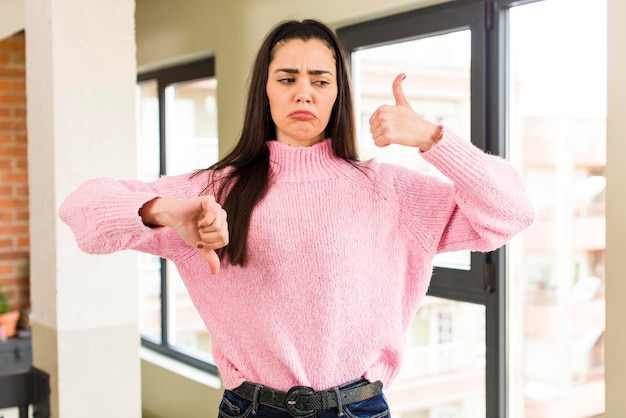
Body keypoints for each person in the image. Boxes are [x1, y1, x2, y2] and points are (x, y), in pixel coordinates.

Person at [59, 19, 535, 418]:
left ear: (337, 93)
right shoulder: (211, 192)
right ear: (265, 90)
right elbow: (80, 209)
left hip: (360, 407)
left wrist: (434, 138)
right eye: (287, 78)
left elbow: (511, 213)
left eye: (320, 80)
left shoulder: (390, 190)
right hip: (251, 409)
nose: (303, 93)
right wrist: (163, 212)